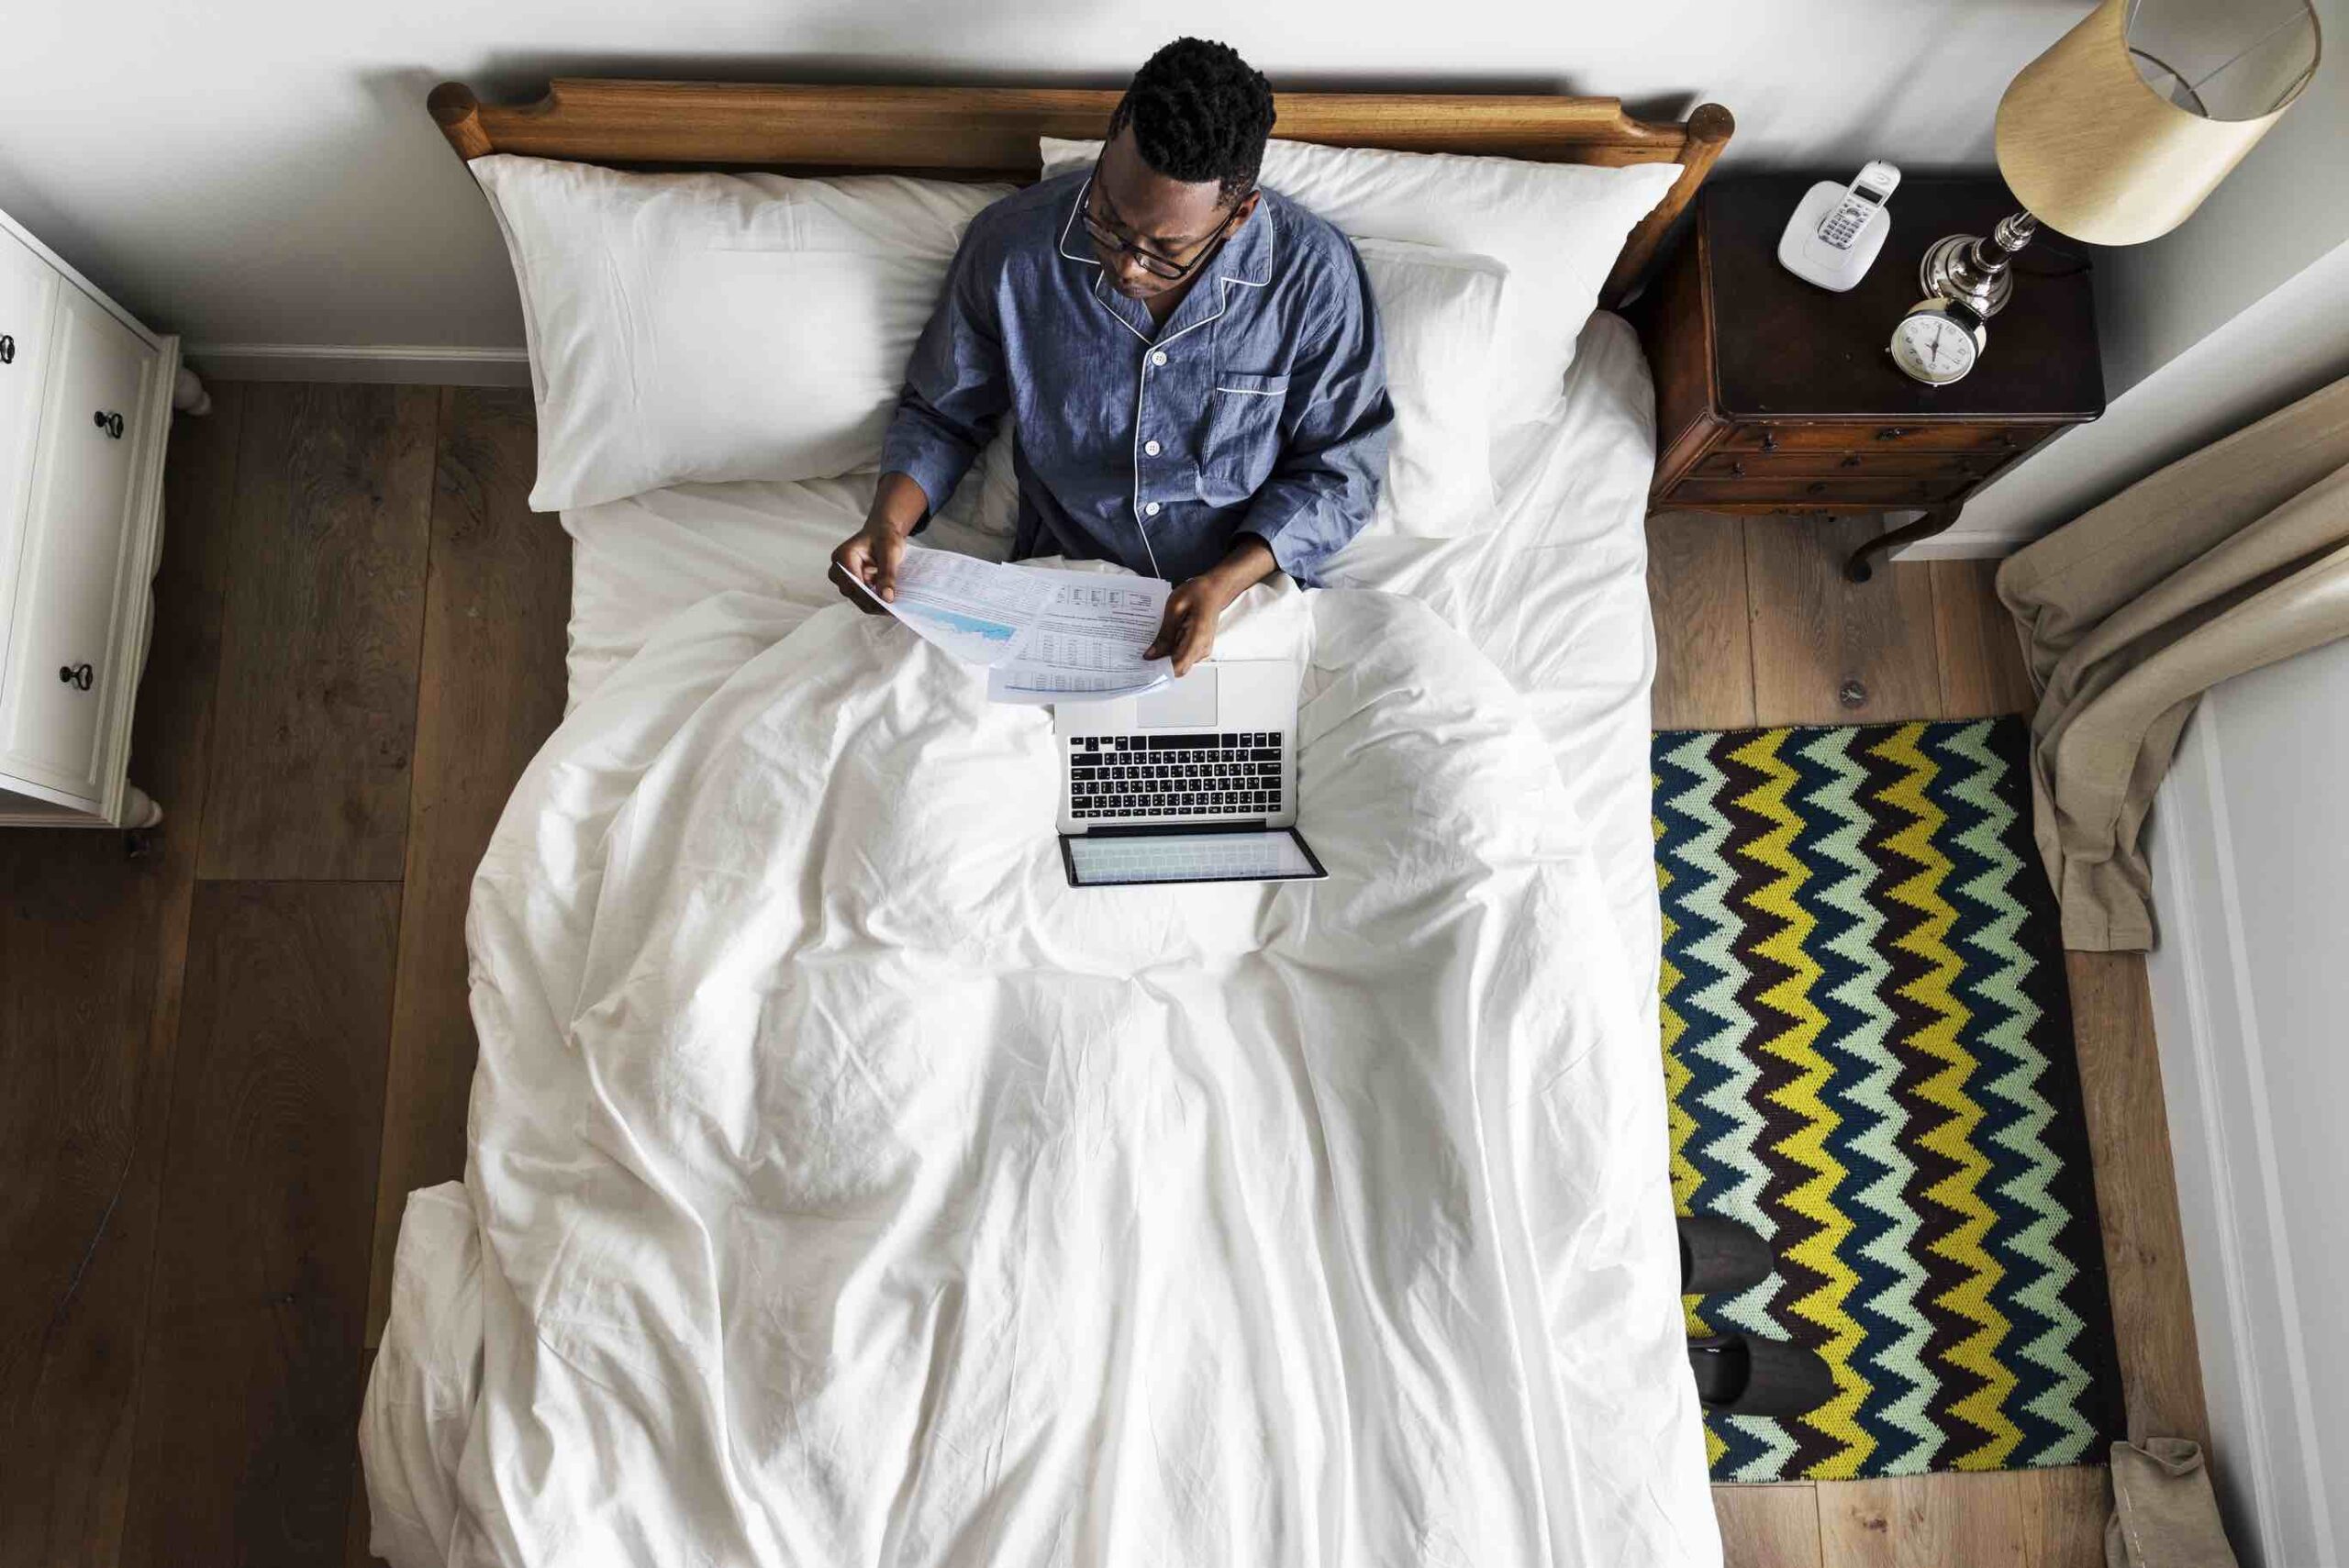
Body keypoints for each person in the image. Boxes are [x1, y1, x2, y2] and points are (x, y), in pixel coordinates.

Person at [829, 37, 1393, 675]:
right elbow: (943, 412)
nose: (1126, 263)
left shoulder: (1313, 276)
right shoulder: (1012, 249)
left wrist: (1222, 585)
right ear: (1104, 151)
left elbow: (1341, 466)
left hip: (1243, 604)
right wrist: (889, 523)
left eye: (1164, 249)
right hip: (1061, 599)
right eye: (1109, 218)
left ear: (1238, 218)